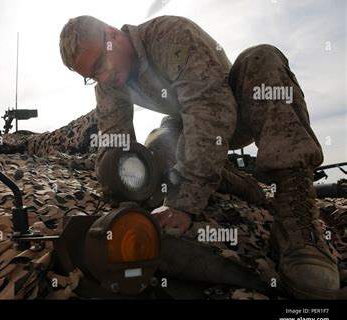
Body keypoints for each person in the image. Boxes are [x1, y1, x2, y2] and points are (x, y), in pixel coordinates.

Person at [59, 15, 339, 299]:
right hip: (185, 121)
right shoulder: (108, 85)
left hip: (235, 108)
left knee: (262, 57)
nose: (103, 77)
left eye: (100, 65)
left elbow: (210, 105)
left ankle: (298, 226)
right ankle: (233, 180)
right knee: (156, 147)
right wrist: (119, 178)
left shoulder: (169, 35)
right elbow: (114, 144)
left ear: (113, 35)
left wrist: (183, 202)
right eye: (92, 76)